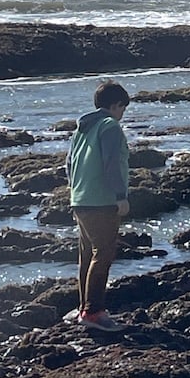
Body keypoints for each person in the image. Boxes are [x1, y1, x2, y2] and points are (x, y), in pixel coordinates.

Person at [66, 80, 131, 332]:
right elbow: (112, 163)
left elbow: (69, 165)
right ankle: (93, 313)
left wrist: (76, 190)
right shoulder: (109, 126)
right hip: (102, 201)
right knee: (102, 254)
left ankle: (84, 307)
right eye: (122, 108)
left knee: (86, 256)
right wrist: (120, 195)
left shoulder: (81, 129)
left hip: (80, 199)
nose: (123, 113)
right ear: (115, 106)